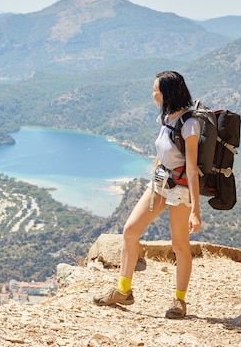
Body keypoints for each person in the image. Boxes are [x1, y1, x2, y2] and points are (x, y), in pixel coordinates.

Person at [93, 70, 202, 319]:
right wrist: (153, 177)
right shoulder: (166, 117)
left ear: (167, 93)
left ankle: (179, 301)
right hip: (160, 184)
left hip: (181, 190)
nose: (153, 93)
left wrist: (196, 209)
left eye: (156, 89)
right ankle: (123, 291)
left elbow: (193, 169)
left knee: (179, 246)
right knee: (130, 231)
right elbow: (162, 151)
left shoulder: (190, 125)